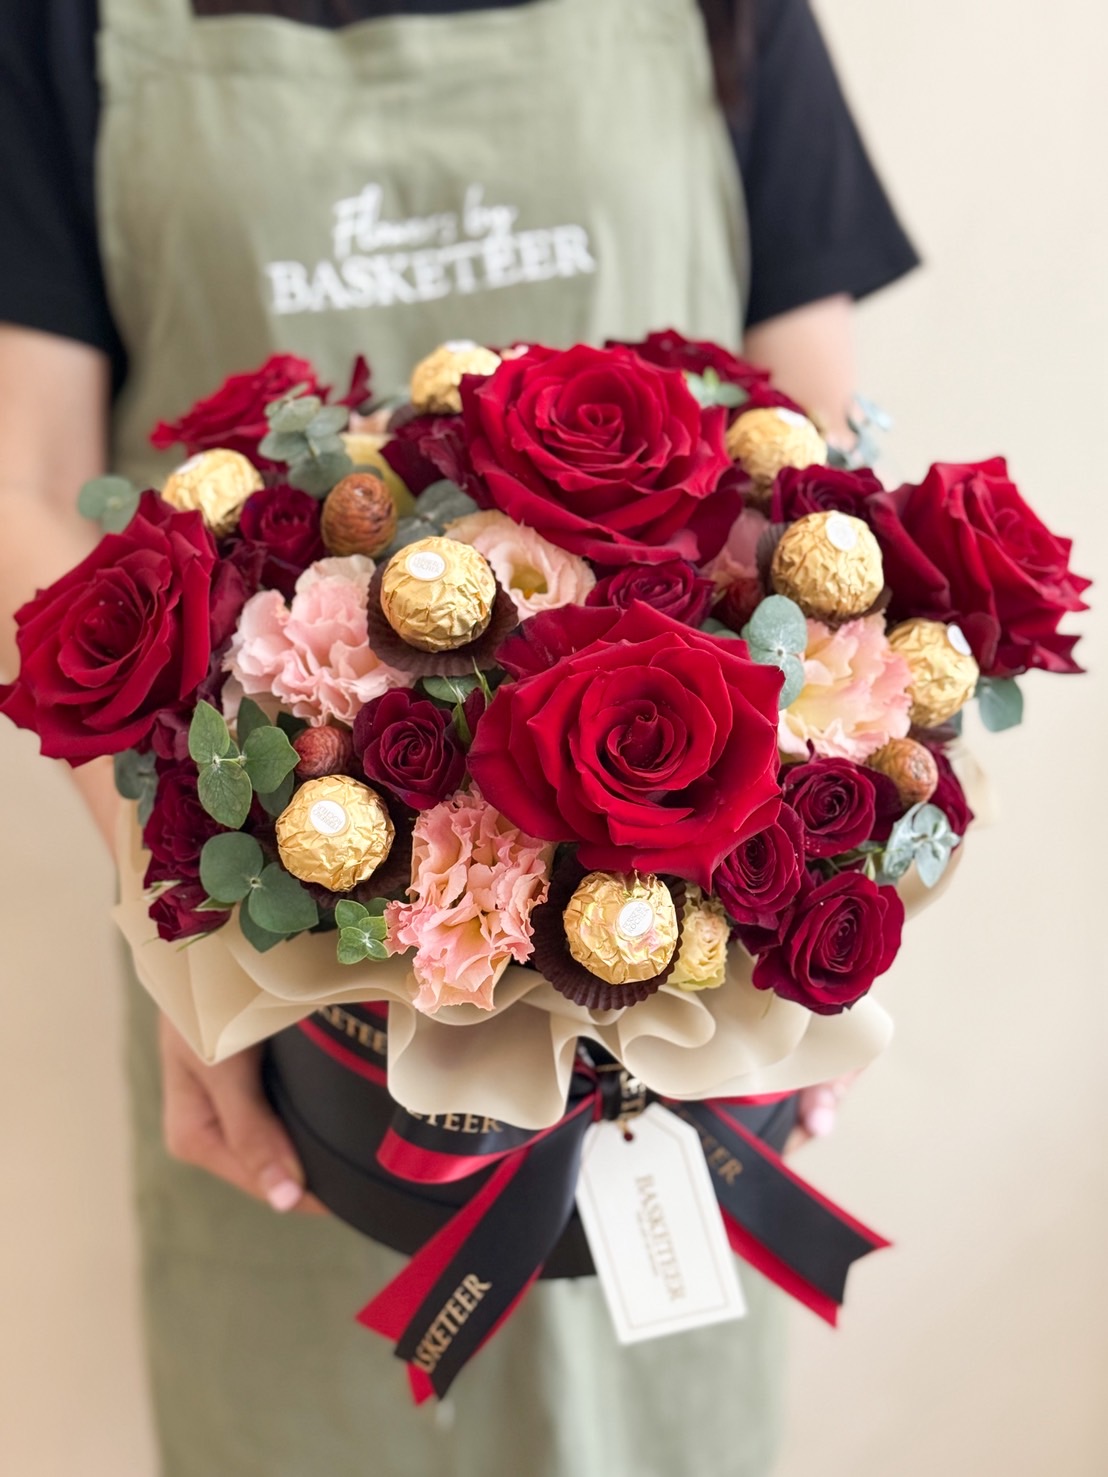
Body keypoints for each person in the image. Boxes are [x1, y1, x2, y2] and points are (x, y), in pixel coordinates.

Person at [0, 2, 918, 1472]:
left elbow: (810, 439)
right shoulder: (59, 25)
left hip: (678, 994)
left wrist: (834, 873)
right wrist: (181, 933)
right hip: (277, 977)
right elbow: (31, 475)